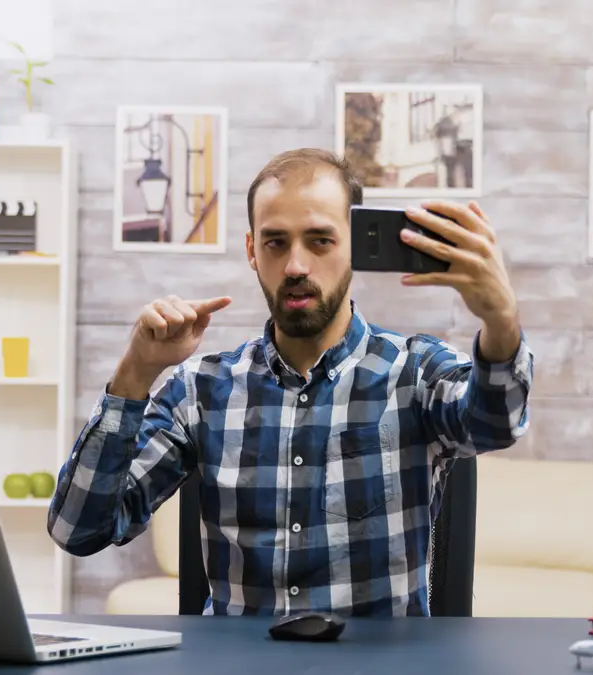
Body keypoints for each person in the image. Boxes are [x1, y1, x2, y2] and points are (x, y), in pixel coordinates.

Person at [47, 148, 534, 617]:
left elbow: (495, 424)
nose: (297, 266)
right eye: (276, 242)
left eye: (320, 240)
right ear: (252, 251)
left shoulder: (415, 371)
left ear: (353, 245)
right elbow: (79, 529)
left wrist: (501, 322)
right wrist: (136, 373)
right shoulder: (201, 389)